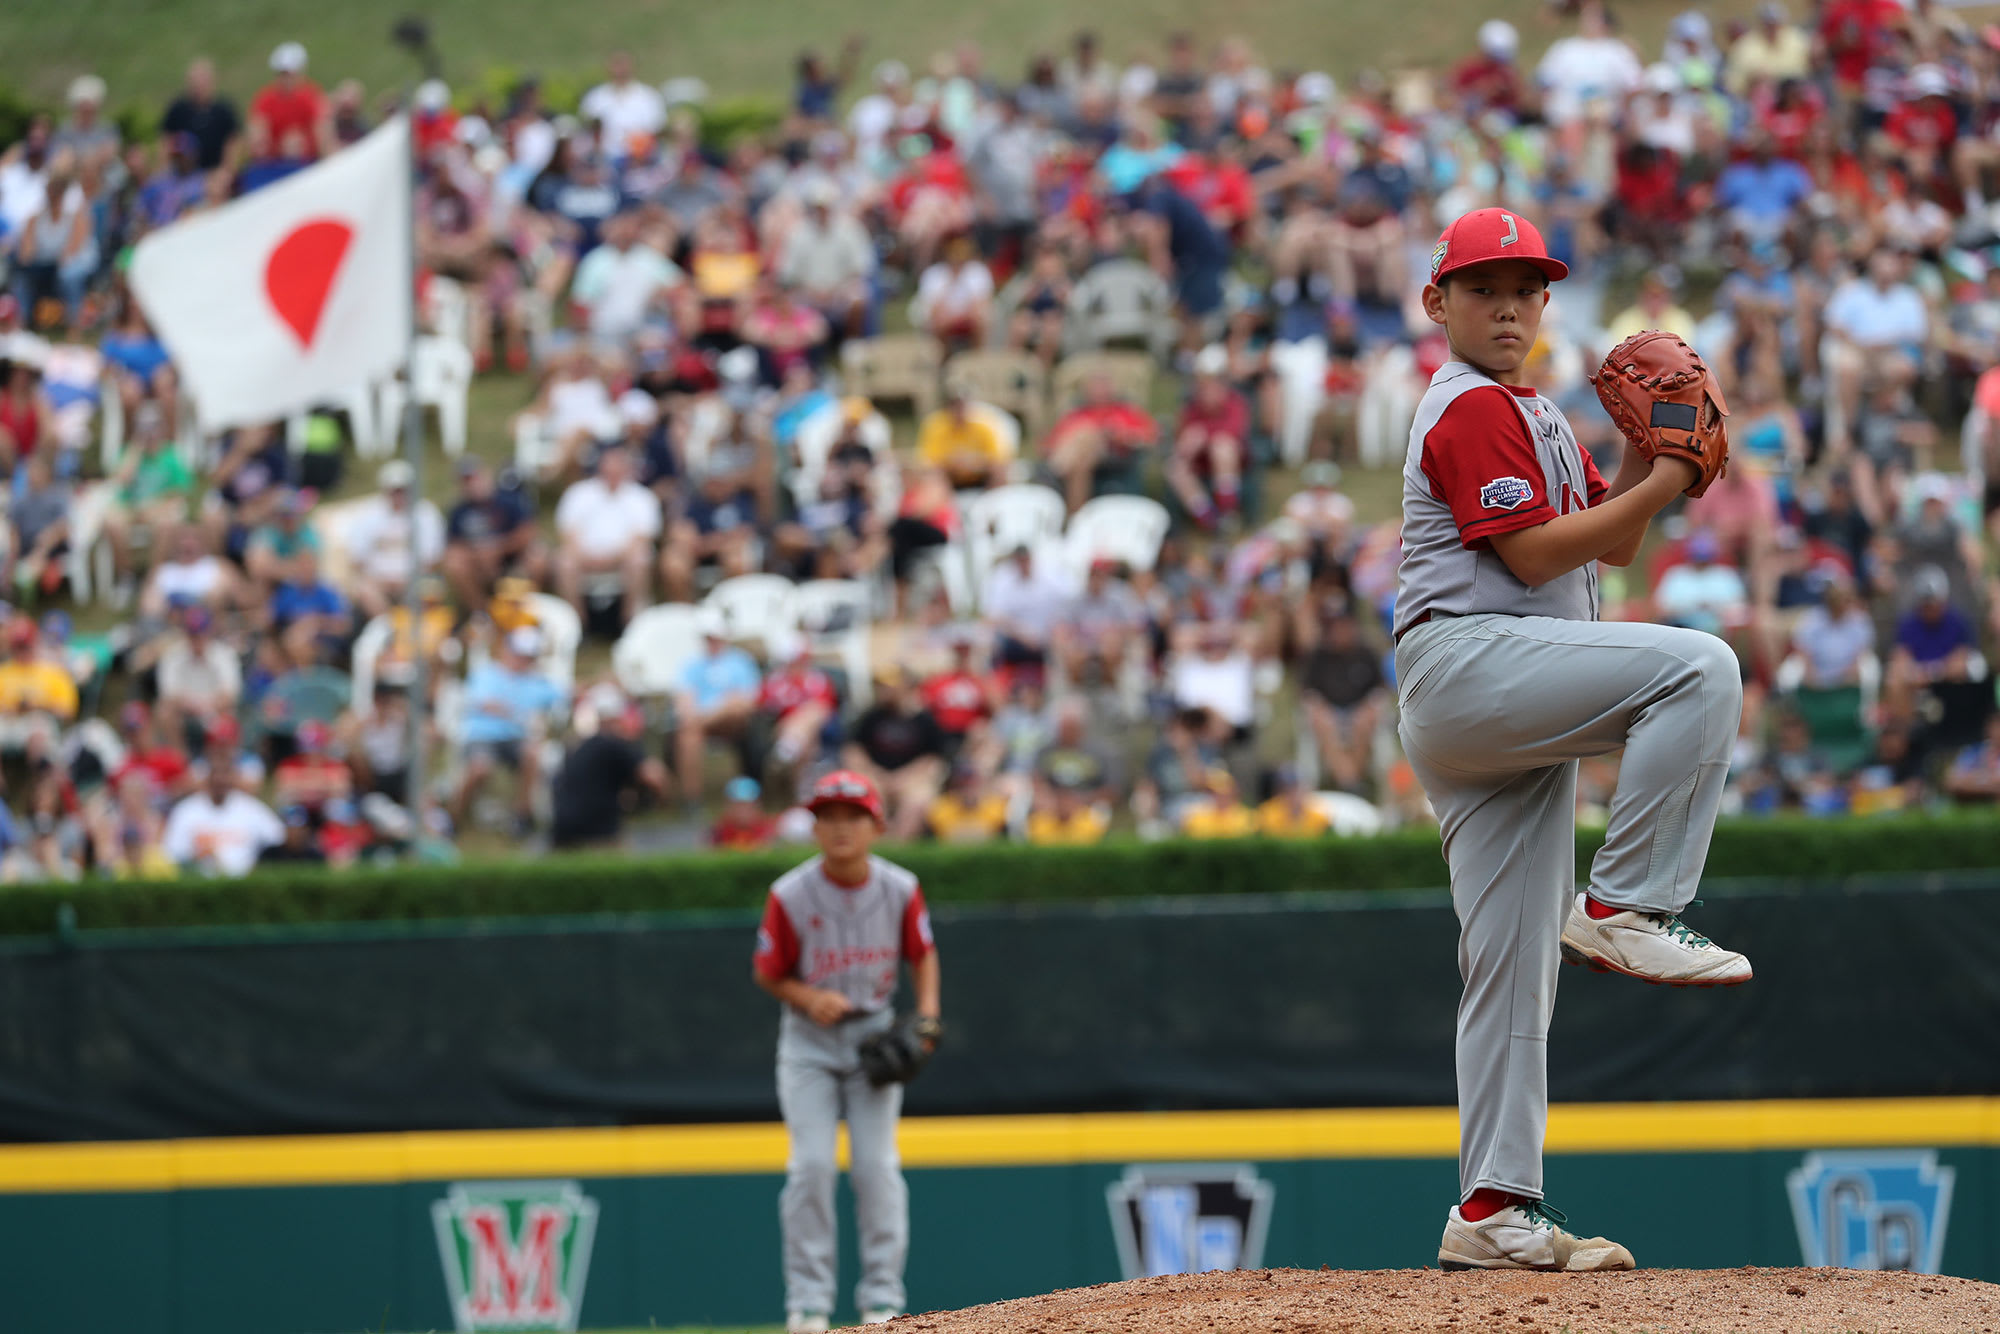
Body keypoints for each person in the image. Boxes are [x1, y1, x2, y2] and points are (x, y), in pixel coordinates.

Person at [1393, 209, 1750, 1273]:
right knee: (1699, 667)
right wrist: (1661, 477)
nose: (1504, 304)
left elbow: (1615, 537)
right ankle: (1631, 901)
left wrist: (1655, 465)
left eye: (1523, 287)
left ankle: (1492, 1209)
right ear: (1437, 302)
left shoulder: (1532, 413)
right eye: (1480, 286)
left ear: (1545, 303)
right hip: (1470, 664)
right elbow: (1538, 549)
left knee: (1509, 966)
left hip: (1505, 696)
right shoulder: (1465, 409)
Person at [752, 770, 940, 1334]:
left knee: (875, 1168)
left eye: (852, 816)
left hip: (874, 1035)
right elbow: (766, 971)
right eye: (827, 816)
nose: (840, 827)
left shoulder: (901, 887)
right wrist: (807, 995)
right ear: (814, 826)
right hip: (808, 1042)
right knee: (810, 1167)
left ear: (875, 825)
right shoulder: (789, 892)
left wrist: (927, 1015)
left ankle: (882, 1302)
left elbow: (923, 953)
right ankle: (808, 1306)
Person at [549, 701, 669, 849]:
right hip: (598, 831)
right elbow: (653, 776)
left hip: (561, 829)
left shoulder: (582, 746)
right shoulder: (615, 744)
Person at [161, 748, 283, 877]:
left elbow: (278, 838)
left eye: (225, 774)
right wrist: (197, 854)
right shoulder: (186, 810)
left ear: (233, 777)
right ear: (208, 777)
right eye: (216, 774)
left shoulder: (252, 808)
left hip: (244, 883)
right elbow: (171, 851)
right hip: (199, 882)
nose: (220, 780)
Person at [711, 775, 777, 849]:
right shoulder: (718, 832)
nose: (743, 811)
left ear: (758, 806)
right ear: (727, 806)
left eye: (748, 805)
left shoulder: (768, 831)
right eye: (738, 805)